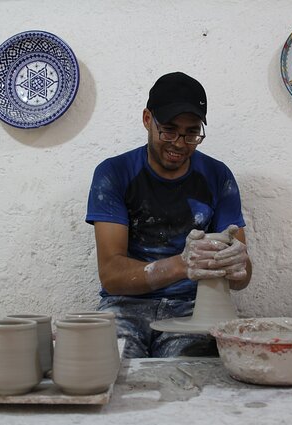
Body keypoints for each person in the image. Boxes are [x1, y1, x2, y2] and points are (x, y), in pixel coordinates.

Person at [85, 72, 252, 358]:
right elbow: (111, 275)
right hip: (125, 304)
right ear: (148, 119)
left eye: (191, 132)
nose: (179, 143)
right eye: (169, 130)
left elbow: (241, 276)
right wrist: (181, 265)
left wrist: (239, 267)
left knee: (189, 380)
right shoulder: (114, 173)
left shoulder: (218, 176)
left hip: (194, 306)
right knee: (111, 369)